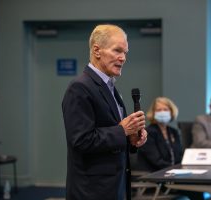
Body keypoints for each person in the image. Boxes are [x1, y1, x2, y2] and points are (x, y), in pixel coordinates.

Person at [62, 24, 147, 200]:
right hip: (92, 191)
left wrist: (130, 137)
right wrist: (122, 130)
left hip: (114, 187)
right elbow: (81, 140)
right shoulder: (80, 87)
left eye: (125, 53)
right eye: (117, 51)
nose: (123, 58)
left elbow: (111, 134)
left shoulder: (110, 87)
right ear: (97, 50)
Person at [137, 97, 183, 172]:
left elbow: (179, 156)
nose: (162, 112)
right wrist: (175, 170)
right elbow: (156, 161)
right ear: (153, 113)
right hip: (153, 175)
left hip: (172, 174)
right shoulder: (148, 132)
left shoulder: (174, 132)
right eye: (158, 110)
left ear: (171, 112)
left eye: (165, 109)